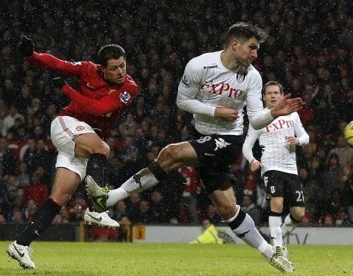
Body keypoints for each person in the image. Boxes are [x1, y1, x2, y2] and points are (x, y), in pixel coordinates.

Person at [86, 22, 303, 273]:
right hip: (203, 135)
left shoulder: (252, 76)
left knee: (170, 154)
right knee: (228, 209)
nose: (255, 54)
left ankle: (109, 198)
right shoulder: (200, 65)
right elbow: (182, 100)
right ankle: (271, 254)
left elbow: (255, 118)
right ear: (235, 44)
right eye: (252, 48)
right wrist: (215, 110)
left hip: (228, 140)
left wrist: (273, 113)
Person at [7, 36, 138, 269]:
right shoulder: (88, 69)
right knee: (103, 148)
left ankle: (20, 244)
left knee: (59, 197)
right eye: (114, 68)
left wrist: (66, 89)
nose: (120, 72)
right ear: (102, 68)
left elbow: (98, 108)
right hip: (67, 124)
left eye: (122, 66)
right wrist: (32, 55)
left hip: (83, 141)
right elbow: (59, 64)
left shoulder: (129, 87)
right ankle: (97, 209)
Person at [242, 80, 309, 260]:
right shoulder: (260, 119)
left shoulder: (292, 115)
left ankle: (281, 238)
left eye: (275, 93)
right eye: (269, 93)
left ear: (281, 95)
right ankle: (278, 249)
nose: (272, 96)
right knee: (277, 204)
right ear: (263, 97)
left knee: (298, 214)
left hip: (291, 170)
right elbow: (247, 146)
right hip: (270, 168)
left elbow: (305, 136)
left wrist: (298, 141)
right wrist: (252, 159)